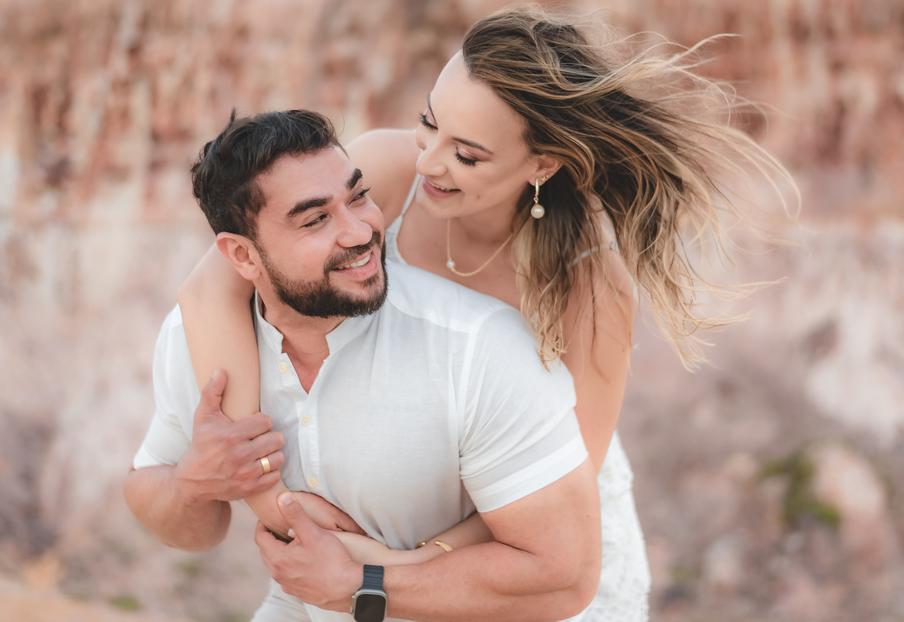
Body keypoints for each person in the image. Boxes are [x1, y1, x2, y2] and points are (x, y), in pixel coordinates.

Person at [179, 5, 794, 620]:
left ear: (542, 164)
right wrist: (275, 501)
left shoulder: (590, 285)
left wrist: (388, 567)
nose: (428, 162)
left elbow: (561, 482)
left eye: (466, 156)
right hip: (381, 523)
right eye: (429, 122)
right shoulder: (385, 171)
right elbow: (209, 292)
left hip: (524, 551)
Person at [125, 109, 602, 622]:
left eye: (358, 197)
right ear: (242, 257)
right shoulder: (196, 340)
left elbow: (564, 579)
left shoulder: (479, 349)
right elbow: (181, 525)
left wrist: (361, 587)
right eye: (315, 219)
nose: (359, 231)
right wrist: (193, 483)